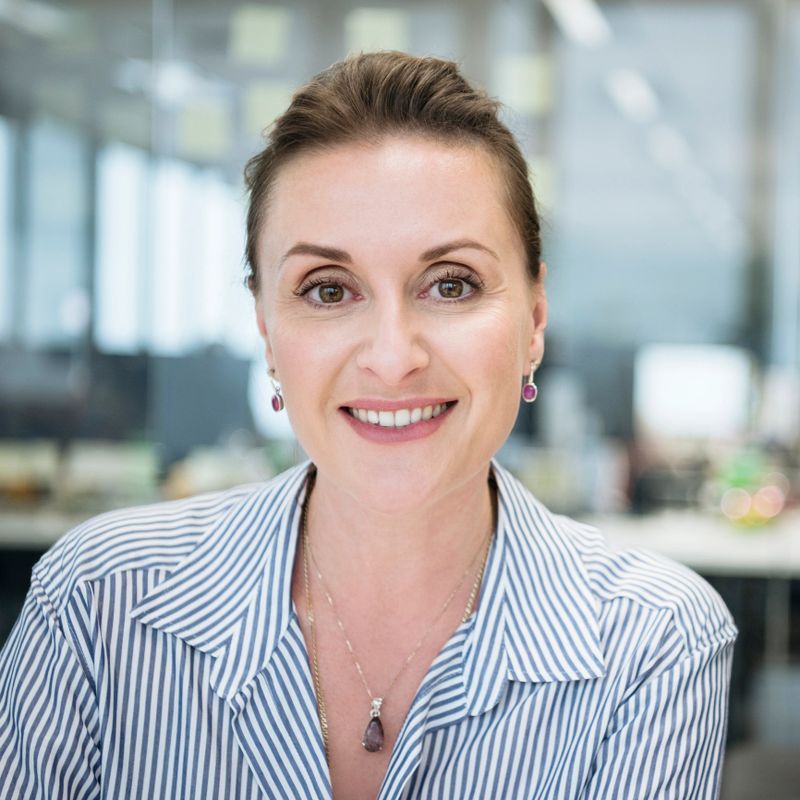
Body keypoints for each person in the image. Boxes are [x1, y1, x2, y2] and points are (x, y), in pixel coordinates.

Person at [0, 52, 737, 800]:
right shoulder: (98, 604)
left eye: (451, 284)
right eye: (327, 290)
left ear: (535, 320)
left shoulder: (652, 642)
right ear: (265, 329)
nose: (393, 358)